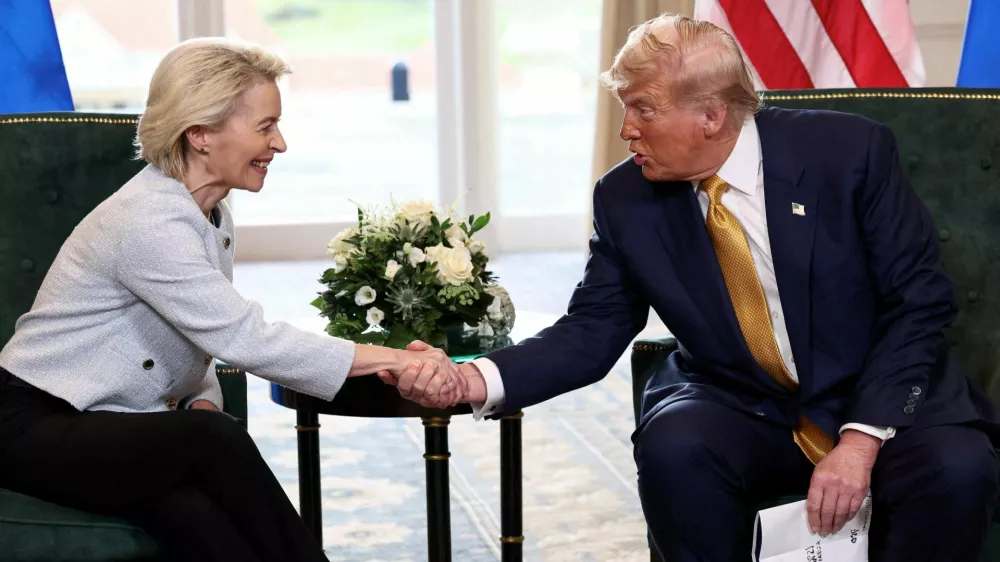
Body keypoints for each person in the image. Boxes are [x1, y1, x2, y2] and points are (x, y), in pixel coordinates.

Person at [391, 13, 1000, 562]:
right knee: (675, 445)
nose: (626, 130)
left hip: (874, 390)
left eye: (643, 109)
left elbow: (919, 301)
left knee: (958, 469)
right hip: (740, 398)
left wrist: (861, 441)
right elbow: (592, 328)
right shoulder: (624, 196)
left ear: (711, 115)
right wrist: (476, 377)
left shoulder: (849, 153)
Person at [0, 37, 462, 562]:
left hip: (114, 424)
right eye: (265, 127)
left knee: (192, 515)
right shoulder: (148, 219)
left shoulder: (211, 214)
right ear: (199, 133)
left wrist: (203, 398)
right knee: (210, 440)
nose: (280, 144)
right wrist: (398, 358)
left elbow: (195, 337)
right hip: (32, 424)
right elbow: (243, 337)